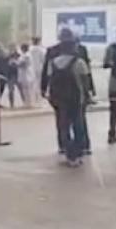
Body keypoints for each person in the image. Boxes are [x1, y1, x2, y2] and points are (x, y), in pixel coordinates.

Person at [45, 28, 90, 167]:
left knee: (63, 127)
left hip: (59, 99)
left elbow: (49, 79)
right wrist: (87, 96)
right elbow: (85, 83)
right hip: (76, 99)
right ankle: (77, 153)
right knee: (78, 126)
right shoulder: (79, 62)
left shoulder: (53, 62)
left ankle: (68, 153)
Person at [17, 43, 35, 108]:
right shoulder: (23, 55)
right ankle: (27, 103)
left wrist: (15, 63)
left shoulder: (27, 55)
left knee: (28, 90)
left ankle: (29, 103)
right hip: (24, 74)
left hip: (27, 75)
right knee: (25, 90)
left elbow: (23, 64)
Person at [30, 37, 45, 103]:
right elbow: (43, 60)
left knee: (32, 84)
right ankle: (39, 99)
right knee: (39, 84)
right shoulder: (41, 50)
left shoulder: (30, 49)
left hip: (31, 68)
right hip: (39, 68)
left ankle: (33, 99)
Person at [6, 44, 20, 108]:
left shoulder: (19, 55)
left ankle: (26, 101)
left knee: (22, 90)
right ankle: (11, 104)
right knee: (11, 91)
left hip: (18, 75)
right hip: (11, 76)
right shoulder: (7, 56)